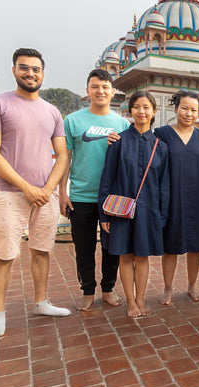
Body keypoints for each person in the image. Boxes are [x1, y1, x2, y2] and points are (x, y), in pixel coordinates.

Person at [0, 48, 70, 337]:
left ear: (43, 73)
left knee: (42, 251)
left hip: (45, 195)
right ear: (14, 70)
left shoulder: (52, 111)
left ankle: (41, 302)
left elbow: (63, 155)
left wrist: (46, 189)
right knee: (5, 255)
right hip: (10, 192)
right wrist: (26, 188)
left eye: (35, 69)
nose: (30, 73)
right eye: (24, 68)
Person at [60, 69, 129, 311]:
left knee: (112, 247)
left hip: (112, 198)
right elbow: (64, 159)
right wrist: (62, 192)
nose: (100, 91)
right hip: (81, 197)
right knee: (84, 247)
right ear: (88, 90)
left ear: (112, 91)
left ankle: (108, 288)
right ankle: (87, 290)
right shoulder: (73, 121)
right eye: (95, 86)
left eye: (105, 87)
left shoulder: (122, 124)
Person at [99, 91, 170, 317]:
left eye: (146, 107)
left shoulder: (161, 146)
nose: (142, 112)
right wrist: (104, 215)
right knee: (125, 256)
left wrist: (161, 216)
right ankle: (130, 301)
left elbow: (163, 185)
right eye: (137, 107)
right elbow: (107, 179)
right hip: (121, 210)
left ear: (154, 112)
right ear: (130, 111)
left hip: (148, 211)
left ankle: (141, 299)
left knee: (142, 256)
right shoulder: (119, 141)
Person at [155, 90, 199, 305]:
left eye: (193, 110)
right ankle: (167, 288)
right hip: (172, 199)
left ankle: (192, 286)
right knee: (171, 246)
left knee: (195, 246)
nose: (188, 113)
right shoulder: (162, 134)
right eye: (184, 108)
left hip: (197, 200)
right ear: (175, 108)